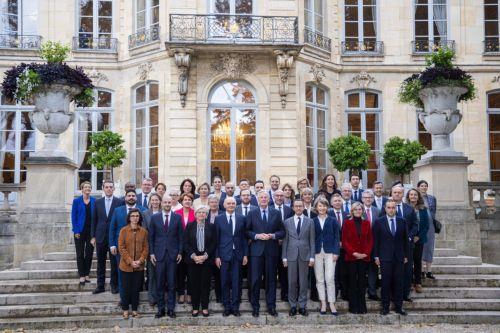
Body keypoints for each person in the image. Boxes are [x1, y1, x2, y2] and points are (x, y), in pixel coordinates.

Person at [246, 190, 285, 317]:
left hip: (271, 251)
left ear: (269, 199)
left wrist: (272, 235)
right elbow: (247, 231)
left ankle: (271, 306)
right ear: (257, 199)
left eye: (265, 197)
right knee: (256, 280)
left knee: (271, 280)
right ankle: (255, 307)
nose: (263, 199)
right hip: (256, 252)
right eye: (261, 197)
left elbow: (282, 232)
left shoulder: (276, 213)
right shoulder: (252, 213)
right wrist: (256, 235)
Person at [381, 185, 418, 302]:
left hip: (406, 246)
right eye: (395, 192)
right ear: (391, 194)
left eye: (399, 193)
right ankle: (392, 295)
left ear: (403, 194)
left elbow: (415, 225)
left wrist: (409, 237)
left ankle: (405, 294)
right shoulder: (386, 208)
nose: (397, 194)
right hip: (390, 247)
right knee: (392, 272)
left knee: (407, 271)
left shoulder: (409, 208)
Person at [109, 190, 147, 305]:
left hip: (138, 250)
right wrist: (112, 244)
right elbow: (112, 228)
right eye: (129, 195)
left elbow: (145, 230)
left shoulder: (143, 210)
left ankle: (135, 299)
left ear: (136, 197)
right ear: (125, 197)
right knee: (122, 275)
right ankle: (124, 299)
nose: (131, 197)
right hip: (121, 248)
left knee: (136, 277)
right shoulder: (117, 210)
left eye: (133, 196)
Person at [149, 195, 183, 319]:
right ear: (161, 203)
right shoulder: (154, 218)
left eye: (169, 202)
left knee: (172, 283)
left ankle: (171, 309)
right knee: (159, 283)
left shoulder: (177, 218)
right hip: (158, 255)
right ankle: (160, 309)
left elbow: (181, 237)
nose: (167, 204)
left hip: (173, 255)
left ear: (172, 202)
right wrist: (151, 253)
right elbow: (151, 238)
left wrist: (180, 252)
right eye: (165, 202)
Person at [373, 199, 409, 316]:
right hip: (385, 257)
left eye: (393, 207)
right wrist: (376, 256)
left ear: (396, 209)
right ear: (385, 209)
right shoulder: (379, 222)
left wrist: (406, 255)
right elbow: (376, 240)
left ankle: (399, 307)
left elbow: (405, 241)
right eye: (389, 207)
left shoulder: (402, 221)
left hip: (399, 257)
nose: (391, 209)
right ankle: (385, 307)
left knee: (398, 283)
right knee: (385, 283)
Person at [215, 197, 248, 317]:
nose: (231, 205)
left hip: (238, 254)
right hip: (224, 254)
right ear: (224, 205)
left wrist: (245, 254)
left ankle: (235, 307)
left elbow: (244, 238)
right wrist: (217, 256)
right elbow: (216, 239)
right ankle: (226, 307)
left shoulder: (242, 218)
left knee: (236, 282)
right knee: (224, 282)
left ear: (236, 205)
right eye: (228, 203)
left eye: (233, 203)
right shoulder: (219, 219)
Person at [282, 199, 315, 317]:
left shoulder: (310, 221)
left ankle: (302, 306)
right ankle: (292, 306)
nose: (299, 208)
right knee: (291, 281)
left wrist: (312, 257)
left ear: (303, 208)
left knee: (303, 281)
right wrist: (284, 257)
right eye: (296, 206)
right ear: (293, 208)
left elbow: (312, 240)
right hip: (290, 255)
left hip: (305, 255)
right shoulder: (287, 222)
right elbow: (285, 241)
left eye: (300, 206)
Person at [184, 206, 216, 317]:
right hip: (193, 261)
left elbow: (213, 243)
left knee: (205, 284)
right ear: (195, 214)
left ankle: (205, 307)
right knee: (194, 284)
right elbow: (186, 243)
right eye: (200, 212)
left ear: (206, 215)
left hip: (207, 260)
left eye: (204, 212)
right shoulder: (189, 226)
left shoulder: (211, 226)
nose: (202, 214)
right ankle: (195, 307)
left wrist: (205, 256)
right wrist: (194, 256)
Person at [342, 202, 373, 314]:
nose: (358, 211)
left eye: (360, 209)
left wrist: (365, 253)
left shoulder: (367, 223)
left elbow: (370, 240)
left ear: (362, 211)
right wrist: (354, 253)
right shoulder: (347, 223)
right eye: (356, 209)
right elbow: (345, 241)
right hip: (351, 257)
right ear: (352, 211)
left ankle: (362, 307)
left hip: (364, 258)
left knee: (362, 282)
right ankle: (353, 307)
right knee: (352, 282)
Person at [118, 208, 149, 319]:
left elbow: (146, 248)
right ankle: (125, 309)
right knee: (126, 288)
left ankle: (135, 310)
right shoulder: (123, 231)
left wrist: (140, 261)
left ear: (139, 218)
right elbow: (121, 248)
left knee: (136, 289)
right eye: (133, 216)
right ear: (129, 218)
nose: (135, 218)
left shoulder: (143, 231)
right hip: (125, 266)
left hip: (139, 267)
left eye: (137, 216)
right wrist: (131, 262)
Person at [91, 180, 120, 294]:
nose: (109, 189)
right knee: (100, 263)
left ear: (113, 189)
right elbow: (94, 220)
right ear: (103, 188)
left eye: (111, 187)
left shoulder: (119, 202)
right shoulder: (98, 202)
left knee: (114, 263)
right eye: (106, 187)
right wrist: (93, 236)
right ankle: (100, 285)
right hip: (100, 236)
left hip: (113, 238)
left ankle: (114, 285)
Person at [313, 197, 340, 315]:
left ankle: (332, 303)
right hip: (317, 252)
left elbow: (337, 237)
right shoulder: (312, 221)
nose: (322, 208)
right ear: (316, 208)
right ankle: (323, 302)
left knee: (329, 278)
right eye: (320, 206)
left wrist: (336, 252)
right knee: (319, 279)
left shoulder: (333, 220)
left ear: (327, 207)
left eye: (324, 206)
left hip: (330, 252)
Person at [271, 189, 294, 302]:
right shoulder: (269, 208)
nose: (279, 198)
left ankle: (284, 294)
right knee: (271, 270)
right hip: (271, 244)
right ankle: (271, 294)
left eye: (282, 196)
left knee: (284, 270)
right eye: (277, 196)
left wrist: (283, 238)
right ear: (273, 197)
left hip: (286, 244)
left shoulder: (289, 210)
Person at [71, 181, 95, 286]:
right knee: (80, 253)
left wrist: (94, 235)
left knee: (89, 253)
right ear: (82, 189)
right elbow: (74, 217)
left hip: (91, 232)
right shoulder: (76, 201)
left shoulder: (95, 201)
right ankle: (81, 275)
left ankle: (86, 274)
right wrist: (76, 230)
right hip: (79, 231)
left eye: (89, 187)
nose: (87, 188)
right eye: (85, 187)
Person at [406, 188, 430, 293]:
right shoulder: (405, 208)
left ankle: (418, 282)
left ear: (418, 197)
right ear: (408, 197)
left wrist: (418, 237)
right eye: (411, 195)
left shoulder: (423, 209)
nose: (413, 197)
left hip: (419, 239)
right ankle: (409, 282)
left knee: (417, 261)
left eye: (415, 195)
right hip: (407, 238)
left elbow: (426, 225)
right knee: (408, 261)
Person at [174, 192, 196, 305]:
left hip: (192, 247)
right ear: (181, 201)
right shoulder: (176, 213)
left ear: (192, 201)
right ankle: (181, 293)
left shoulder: (195, 213)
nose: (187, 201)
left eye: (189, 199)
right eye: (185, 199)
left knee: (191, 272)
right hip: (179, 246)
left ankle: (191, 293)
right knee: (180, 272)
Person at [328, 193, 349, 300]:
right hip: (332, 248)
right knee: (333, 272)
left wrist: (344, 242)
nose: (337, 202)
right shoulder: (327, 214)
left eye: (339, 200)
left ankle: (345, 294)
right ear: (331, 203)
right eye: (335, 201)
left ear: (342, 202)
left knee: (345, 272)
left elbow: (350, 232)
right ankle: (334, 294)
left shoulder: (347, 214)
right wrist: (337, 243)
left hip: (346, 249)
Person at [142, 193, 162, 306]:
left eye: (157, 200)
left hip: (163, 247)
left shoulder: (163, 212)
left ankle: (161, 297)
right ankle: (152, 298)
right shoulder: (145, 214)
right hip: (151, 247)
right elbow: (145, 231)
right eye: (153, 200)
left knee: (162, 274)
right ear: (150, 201)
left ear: (160, 201)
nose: (155, 202)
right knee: (152, 274)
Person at [361, 189, 382, 301]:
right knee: (361, 270)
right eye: (366, 197)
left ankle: (372, 292)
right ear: (362, 199)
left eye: (370, 197)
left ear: (373, 199)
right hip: (361, 246)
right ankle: (361, 291)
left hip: (374, 245)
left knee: (373, 270)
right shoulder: (358, 210)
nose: (368, 199)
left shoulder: (377, 211)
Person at [418, 180, 437, 280]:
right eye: (422, 186)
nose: (424, 187)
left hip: (430, 226)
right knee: (422, 247)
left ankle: (429, 270)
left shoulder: (432, 198)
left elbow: (434, 212)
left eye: (425, 186)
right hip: (420, 226)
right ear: (418, 187)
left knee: (429, 247)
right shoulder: (416, 198)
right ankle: (421, 270)